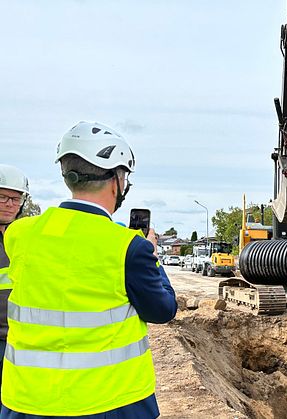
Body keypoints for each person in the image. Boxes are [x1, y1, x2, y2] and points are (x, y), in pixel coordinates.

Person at [1, 122, 177, 418]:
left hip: (26, 401)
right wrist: (152, 255)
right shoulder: (128, 248)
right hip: (109, 402)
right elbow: (163, 310)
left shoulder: (20, 233)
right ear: (117, 181)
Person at [0, 165, 30, 395]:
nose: (10, 204)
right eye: (3, 197)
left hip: (21, 339)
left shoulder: (27, 238)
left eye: (15, 198)